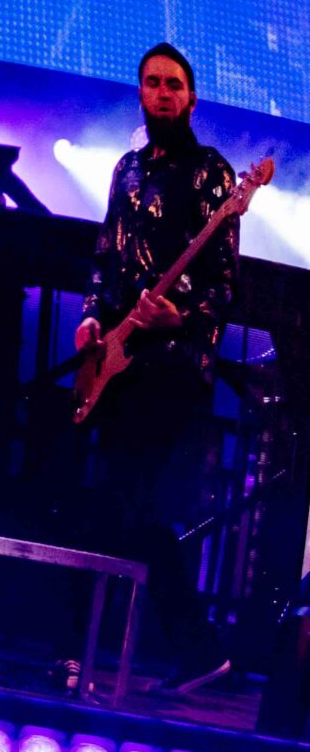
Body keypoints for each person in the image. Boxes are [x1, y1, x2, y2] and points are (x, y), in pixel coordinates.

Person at [76, 43, 237, 692]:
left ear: (191, 98)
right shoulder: (126, 170)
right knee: (116, 503)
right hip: (118, 359)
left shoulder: (212, 174)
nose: (163, 93)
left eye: (174, 84)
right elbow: (104, 255)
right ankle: (120, 651)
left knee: (132, 499)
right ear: (141, 92)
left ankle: (195, 647)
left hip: (174, 364)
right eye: (153, 83)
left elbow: (223, 282)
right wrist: (92, 316)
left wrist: (181, 316)